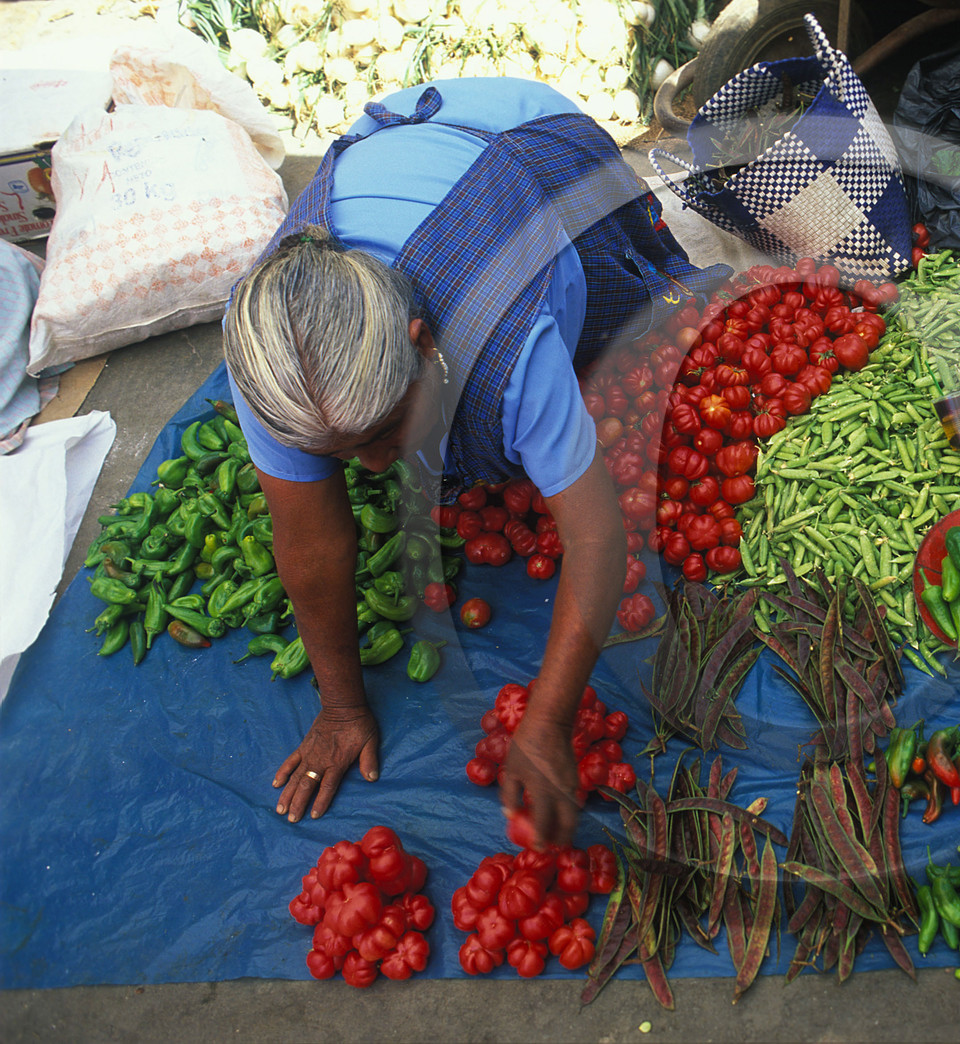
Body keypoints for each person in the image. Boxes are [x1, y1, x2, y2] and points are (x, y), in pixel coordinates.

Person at [222, 78, 726, 848]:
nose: (369, 467)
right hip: (412, 155)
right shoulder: (273, 356)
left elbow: (595, 537)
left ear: (424, 343)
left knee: (618, 329)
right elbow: (312, 540)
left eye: (385, 432)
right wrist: (342, 707)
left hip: (536, 144)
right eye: (341, 452)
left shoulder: (508, 336)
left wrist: (549, 720)